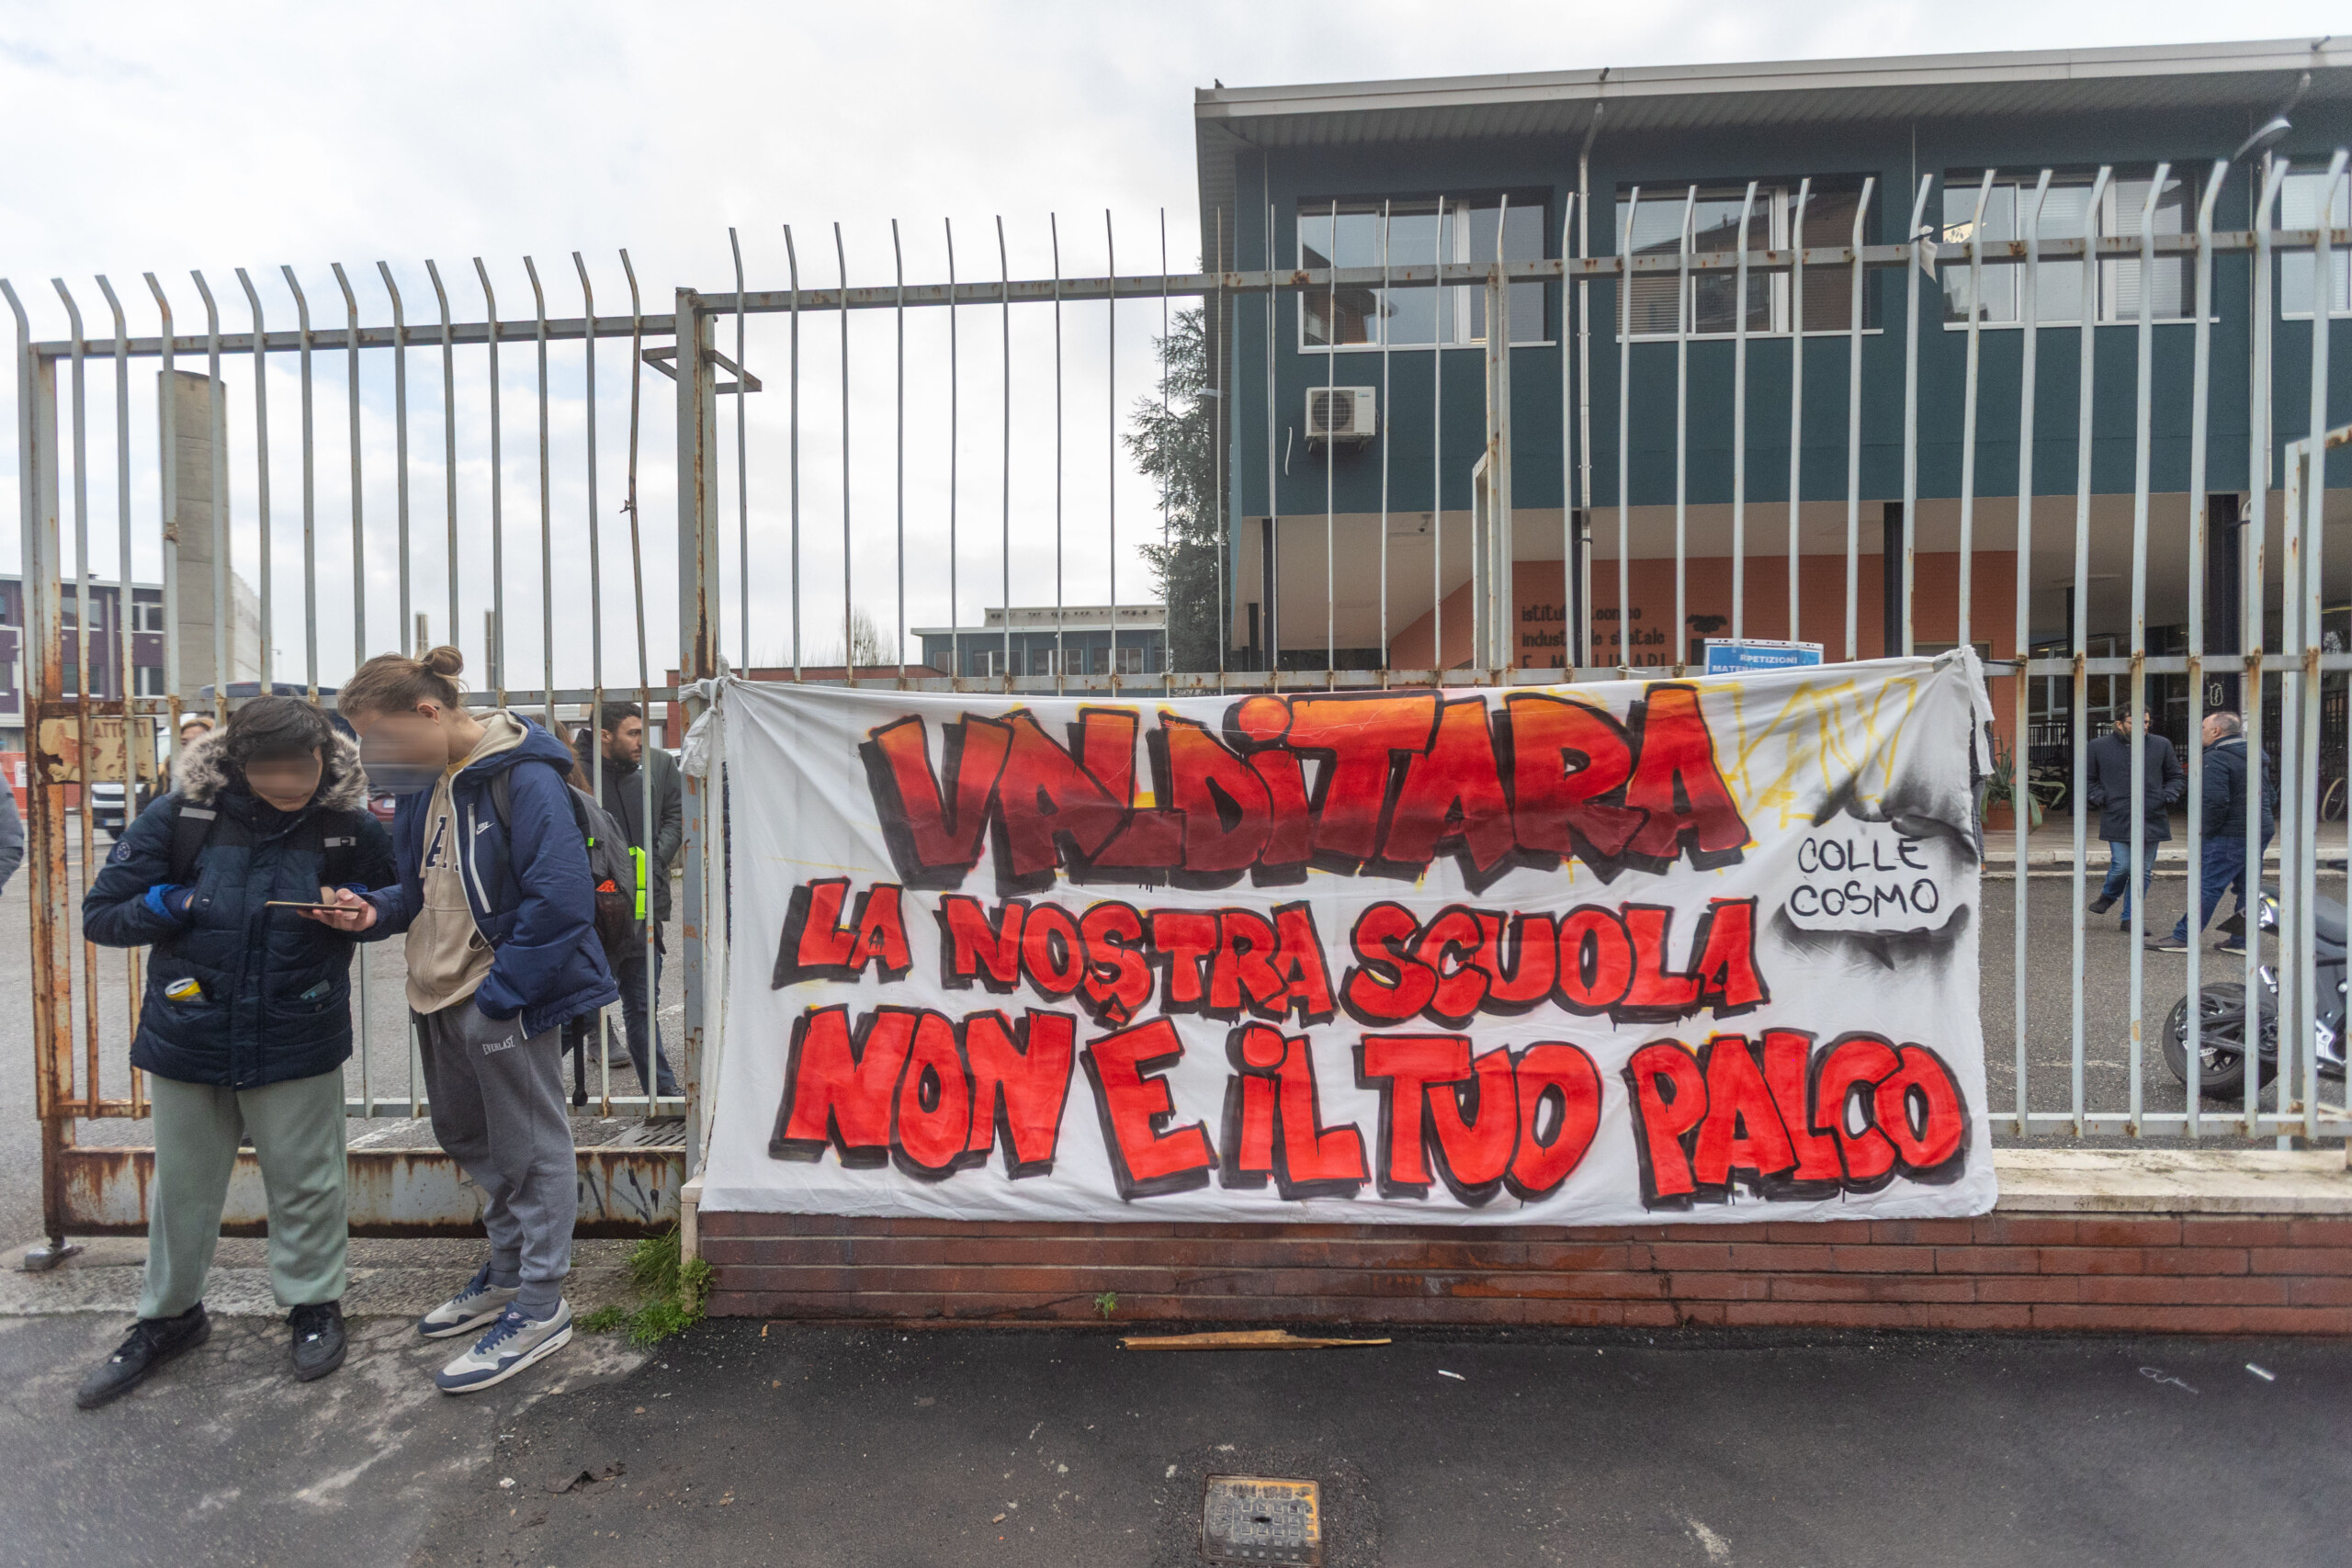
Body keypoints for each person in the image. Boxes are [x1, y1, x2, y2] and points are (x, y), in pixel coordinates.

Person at [74, 697, 394, 1408]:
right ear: (239, 764)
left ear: (323, 756)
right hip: (190, 1025)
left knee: (306, 1179)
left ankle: (313, 1305)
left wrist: (365, 911)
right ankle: (168, 1317)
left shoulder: (346, 821)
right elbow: (102, 913)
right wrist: (172, 905)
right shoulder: (183, 816)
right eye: (270, 766)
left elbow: (401, 893)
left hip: (297, 1024)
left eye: (301, 765)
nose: (289, 781)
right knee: (184, 1187)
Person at [318, 648, 618, 1394]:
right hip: (436, 988)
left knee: (531, 1147)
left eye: (380, 738)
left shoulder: (522, 771)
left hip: (495, 993)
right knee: (466, 1135)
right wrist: (373, 910)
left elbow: (561, 901)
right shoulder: (426, 784)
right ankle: (509, 1271)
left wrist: (501, 998)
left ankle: (542, 1305)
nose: (374, 757)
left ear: (428, 711)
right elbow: (413, 888)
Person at [570, 702, 682, 1099]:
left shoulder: (646, 773)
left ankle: (662, 1093)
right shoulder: (571, 774)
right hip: (589, 918)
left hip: (640, 914)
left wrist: (653, 865)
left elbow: (673, 817)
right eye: (633, 733)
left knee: (641, 1006)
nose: (641, 741)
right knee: (573, 1011)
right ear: (604, 735)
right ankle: (549, 1097)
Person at [2151, 711, 2277, 955]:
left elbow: (2215, 801)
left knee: (2208, 885)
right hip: (2260, 828)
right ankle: (2242, 941)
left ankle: (2183, 937)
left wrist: (2206, 832)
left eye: (2203, 727)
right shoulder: (2254, 755)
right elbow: (2270, 794)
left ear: (2216, 731)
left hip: (2230, 832)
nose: (2200, 732)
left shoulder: (2216, 758)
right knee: (2248, 886)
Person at [2085, 709, 2184, 929]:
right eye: (2136, 721)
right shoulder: (2098, 746)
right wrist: (2102, 798)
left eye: (2147, 721)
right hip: (2117, 814)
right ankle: (2108, 896)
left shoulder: (2161, 744)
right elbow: (2088, 778)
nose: (2144, 726)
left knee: (2143, 870)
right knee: (2122, 866)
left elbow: (2175, 775)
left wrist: (2167, 796)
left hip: (2152, 814)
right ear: (2120, 724)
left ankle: (2130, 918)